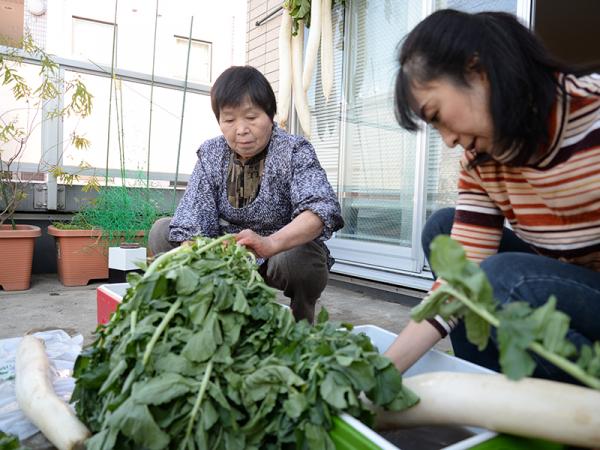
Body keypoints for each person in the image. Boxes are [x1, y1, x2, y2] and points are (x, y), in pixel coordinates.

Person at [386, 9, 600, 383]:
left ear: (477, 71)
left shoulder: (592, 114)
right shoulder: (481, 162)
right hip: (568, 285)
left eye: (436, 115)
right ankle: (492, 392)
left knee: (500, 280)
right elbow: (460, 280)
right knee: (443, 233)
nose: (448, 140)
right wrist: (382, 372)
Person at [149, 66, 344, 323]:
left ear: (270, 115)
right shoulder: (211, 153)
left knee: (300, 258)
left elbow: (320, 210)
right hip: (226, 255)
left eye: (251, 117)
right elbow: (192, 217)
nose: (240, 129)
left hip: (277, 253)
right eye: (229, 120)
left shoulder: (293, 150)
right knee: (163, 231)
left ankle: (301, 322)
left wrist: (269, 244)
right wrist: (204, 253)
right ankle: (200, 314)